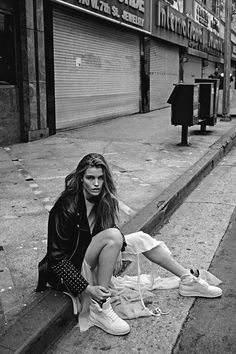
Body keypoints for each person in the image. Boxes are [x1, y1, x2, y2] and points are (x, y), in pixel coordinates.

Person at [36, 153, 222, 336]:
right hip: (70, 269)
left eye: (100, 178)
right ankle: (99, 307)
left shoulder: (102, 199)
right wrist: (87, 288)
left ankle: (187, 280)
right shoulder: (65, 208)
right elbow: (57, 260)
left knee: (141, 238)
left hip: (89, 255)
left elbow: (110, 228)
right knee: (114, 238)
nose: (96, 183)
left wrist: (117, 249)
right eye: (90, 178)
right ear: (80, 178)